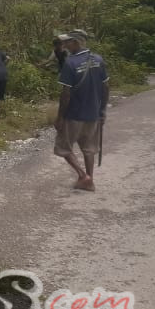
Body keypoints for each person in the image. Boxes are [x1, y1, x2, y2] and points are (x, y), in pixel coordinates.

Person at [54, 30, 109, 192]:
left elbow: (66, 94)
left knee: (63, 147)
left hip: (74, 115)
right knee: (89, 148)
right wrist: (102, 110)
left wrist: (60, 117)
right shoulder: (98, 60)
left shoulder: (70, 63)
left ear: (76, 42)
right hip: (93, 114)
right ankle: (89, 180)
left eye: (67, 42)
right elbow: (106, 87)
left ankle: (83, 176)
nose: (64, 45)